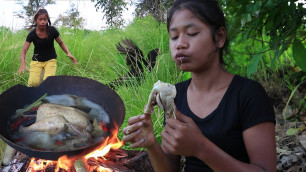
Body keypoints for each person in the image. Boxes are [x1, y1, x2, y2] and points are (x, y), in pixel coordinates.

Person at [122, 0, 276, 172]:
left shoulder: (248, 95)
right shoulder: (174, 94)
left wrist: (201, 148)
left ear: (219, 37)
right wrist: (151, 144)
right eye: (173, 36)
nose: (180, 43)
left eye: (192, 33)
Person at [17, 8, 77, 87]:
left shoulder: (52, 30)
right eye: (40, 19)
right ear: (36, 20)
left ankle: (46, 97)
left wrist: (68, 53)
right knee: (33, 84)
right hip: (36, 61)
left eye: (45, 19)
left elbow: (61, 43)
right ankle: (36, 97)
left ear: (47, 20)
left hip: (50, 60)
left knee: (48, 83)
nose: (42, 22)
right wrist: (22, 64)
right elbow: (24, 50)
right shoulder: (32, 34)